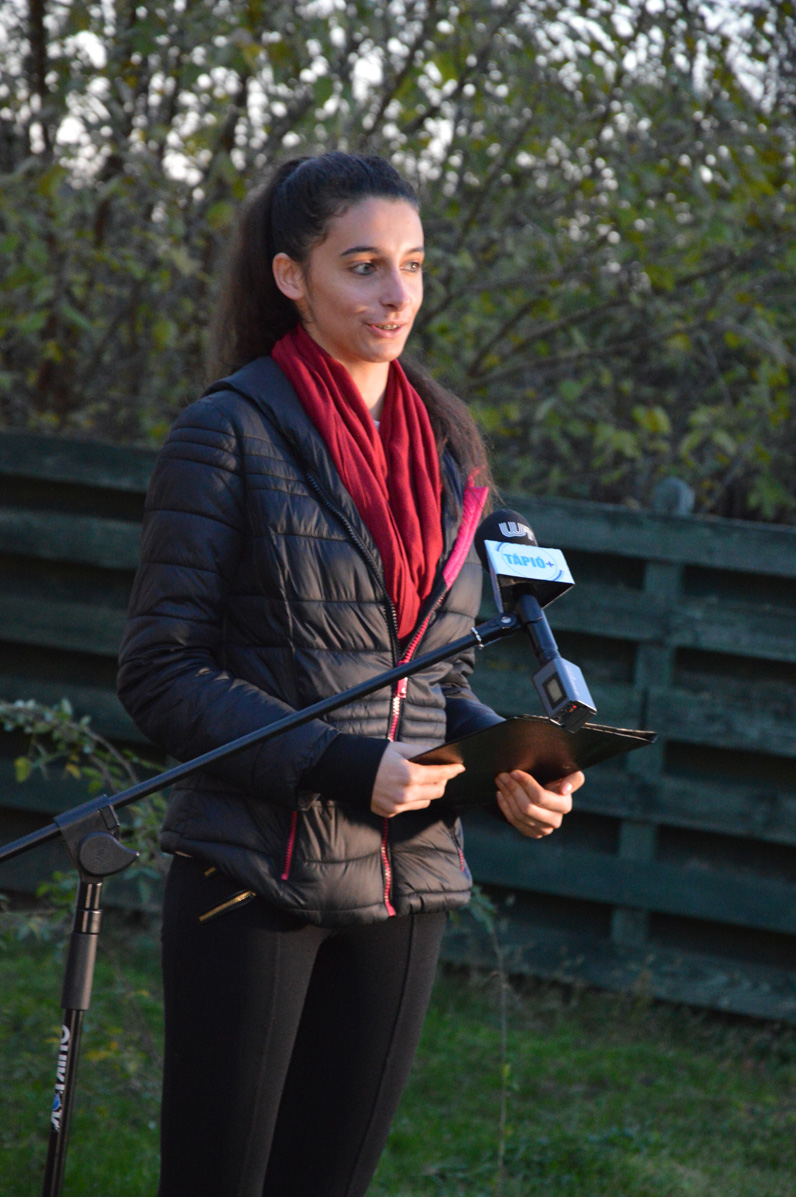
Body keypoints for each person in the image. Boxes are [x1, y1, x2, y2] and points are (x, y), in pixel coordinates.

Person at [117, 151, 583, 1197]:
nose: (395, 294)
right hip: (252, 872)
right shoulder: (225, 433)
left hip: (408, 880)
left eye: (412, 265)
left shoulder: (449, 445)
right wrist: (337, 763)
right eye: (363, 265)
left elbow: (428, 677)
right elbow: (159, 672)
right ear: (292, 276)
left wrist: (504, 757)